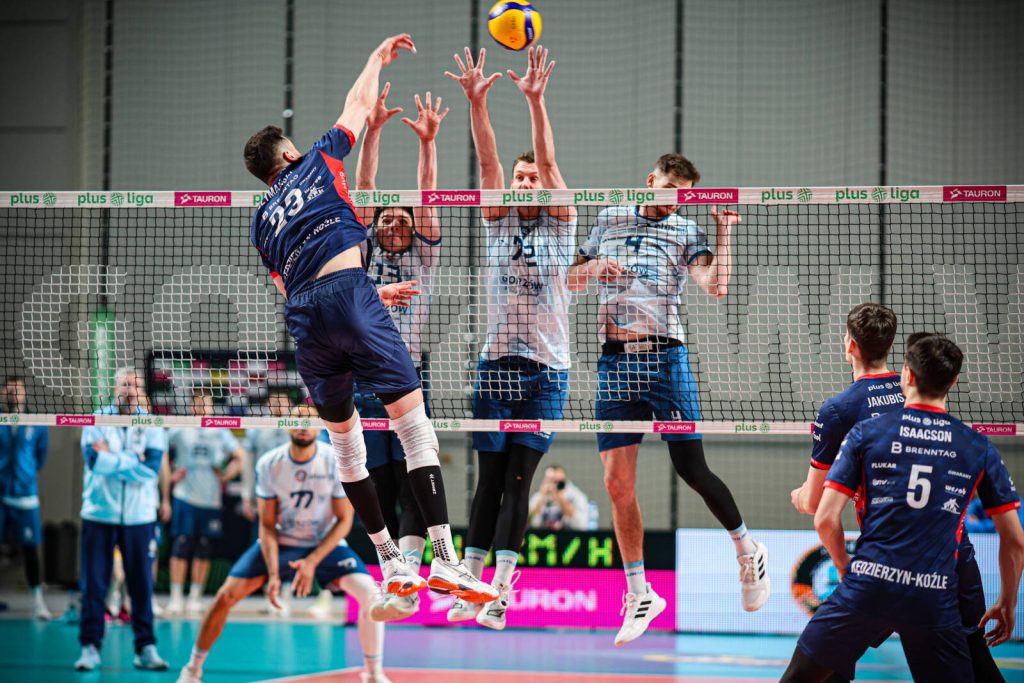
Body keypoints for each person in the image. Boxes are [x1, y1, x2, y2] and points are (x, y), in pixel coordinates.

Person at [243, 33, 495, 606]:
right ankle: (448, 564)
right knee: (415, 428)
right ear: (288, 156)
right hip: (351, 297)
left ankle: (392, 563)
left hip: (306, 324)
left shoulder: (261, 222)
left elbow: (288, 286)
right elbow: (357, 106)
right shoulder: (314, 160)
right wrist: (374, 56)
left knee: (347, 448)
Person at [567, 153, 768, 646]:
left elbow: (715, 287)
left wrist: (724, 234)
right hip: (614, 363)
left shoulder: (687, 231)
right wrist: (594, 267)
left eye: (682, 189)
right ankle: (640, 594)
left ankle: (748, 550)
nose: (672, 194)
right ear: (650, 179)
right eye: (667, 184)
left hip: (664, 361)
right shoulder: (608, 218)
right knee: (616, 484)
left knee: (692, 470)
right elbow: (570, 281)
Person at [780, 335, 1024, 683]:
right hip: (933, 587)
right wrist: (1008, 601)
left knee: (807, 676)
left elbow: (824, 517)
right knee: (974, 660)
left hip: (871, 583)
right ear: (954, 381)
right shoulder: (977, 446)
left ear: (906, 375)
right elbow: (1015, 539)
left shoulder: (867, 432)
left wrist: (844, 566)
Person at [445, 45, 577, 630]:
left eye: (532, 177)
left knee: (520, 483)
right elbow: (489, 162)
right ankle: (469, 586)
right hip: (496, 365)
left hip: (546, 371)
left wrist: (535, 100)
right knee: (487, 481)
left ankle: (499, 591)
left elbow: (547, 164)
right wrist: (478, 103)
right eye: (518, 178)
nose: (524, 182)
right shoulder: (497, 220)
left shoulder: (562, 217)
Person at [176, 407, 390, 683]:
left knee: (371, 595)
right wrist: (274, 575)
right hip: (282, 541)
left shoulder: (334, 460)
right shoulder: (270, 463)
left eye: (309, 421)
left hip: (324, 544)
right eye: (297, 420)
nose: (303, 426)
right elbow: (266, 525)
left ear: (319, 426)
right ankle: (193, 668)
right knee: (224, 597)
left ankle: (373, 673)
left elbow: (343, 520)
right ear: (286, 425)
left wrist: (312, 562)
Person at [351, 84, 447, 621]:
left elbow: (427, 195)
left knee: (415, 478)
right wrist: (376, 130)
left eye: (402, 220)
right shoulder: (362, 252)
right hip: (365, 374)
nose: (392, 222)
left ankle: (412, 574)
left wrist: (428, 144)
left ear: (413, 231)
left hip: (408, 373)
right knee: (377, 483)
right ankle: (396, 579)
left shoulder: (423, 260)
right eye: (385, 218)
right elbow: (365, 187)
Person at [75, 368, 169, 671]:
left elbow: (150, 470)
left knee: (141, 586)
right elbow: (93, 461)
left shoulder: (152, 424)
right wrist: (133, 460)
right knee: (94, 584)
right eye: (125, 384)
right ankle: (90, 647)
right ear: (115, 388)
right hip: (99, 514)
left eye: (135, 386)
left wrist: (114, 459)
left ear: (142, 391)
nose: (130, 390)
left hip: (140, 517)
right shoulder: (97, 419)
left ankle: (146, 648)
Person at [162, 389, 246, 615]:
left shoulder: (219, 430)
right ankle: (176, 596)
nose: (202, 407)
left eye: (205, 403)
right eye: (198, 403)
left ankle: (195, 597)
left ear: (211, 406)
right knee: (181, 545)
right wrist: (169, 473)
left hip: (211, 499)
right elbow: (160, 449)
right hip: (184, 496)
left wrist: (227, 475)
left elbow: (240, 456)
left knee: (204, 548)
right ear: (192, 406)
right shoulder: (181, 428)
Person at [0, 375, 51, 619]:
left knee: (31, 549)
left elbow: (40, 456)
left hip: (25, 494)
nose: (13, 394)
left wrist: (25, 476)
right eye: (9, 390)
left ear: (24, 393)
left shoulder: (36, 421)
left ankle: (37, 602)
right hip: (1, 493)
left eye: (17, 390)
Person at [528, 464, 590, 531]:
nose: (554, 485)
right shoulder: (538, 498)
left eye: (558, 482)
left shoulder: (577, 497)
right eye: (550, 481)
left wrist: (560, 499)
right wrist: (541, 498)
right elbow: (528, 523)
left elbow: (581, 525)